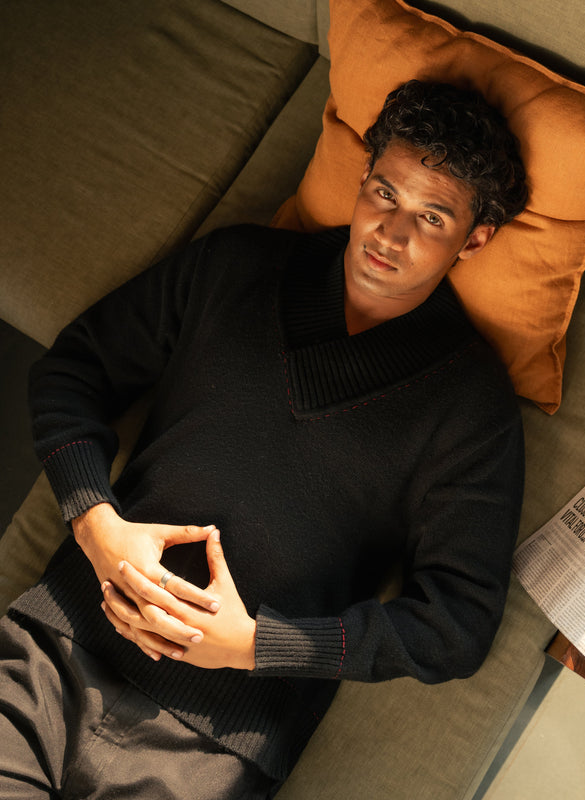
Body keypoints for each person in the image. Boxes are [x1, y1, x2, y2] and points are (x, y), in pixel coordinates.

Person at [0, 80, 528, 799]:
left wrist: (255, 647)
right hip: (52, 652)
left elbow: (455, 625)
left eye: (431, 218)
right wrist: (96, 526)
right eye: (383, 194)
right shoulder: (236, 264)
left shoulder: (473, 408)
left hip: (213, 747)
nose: (390, 233)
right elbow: (74, 369)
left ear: (476, 238)